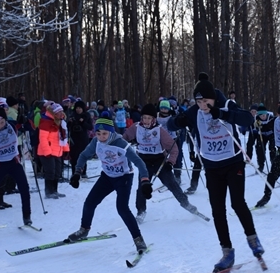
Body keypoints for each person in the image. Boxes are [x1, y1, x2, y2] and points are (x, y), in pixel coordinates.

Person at [168, 72, 265, 273]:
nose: (203, 105)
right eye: (199, 101)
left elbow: (247, 119)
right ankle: (227, 251)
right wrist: (180, 120)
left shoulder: (226, 105)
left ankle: (252, 239)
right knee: (217, 209)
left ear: (214, 98)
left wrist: (222, 114)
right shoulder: (195, 112)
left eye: (206, 101)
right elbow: (171, 124)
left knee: (237, 203)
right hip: (212, 166)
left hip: (233, 162)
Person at [66, 112, 152, 253]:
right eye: (98, 133)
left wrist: (145, 181)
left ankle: (139, 240)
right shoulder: (95, 142)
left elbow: (139, 162)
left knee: (122, 208)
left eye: (104, 134)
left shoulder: (121, 144)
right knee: (90, 202)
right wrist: (77, 173)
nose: (101, 137)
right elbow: (83, 155)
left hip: (123, 178)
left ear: (111, 132)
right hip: (107, 177)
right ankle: (84, 229)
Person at [123, 104, 199, 224]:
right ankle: (141, 211)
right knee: (143, 186)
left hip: (159, 161)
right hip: (144, 162)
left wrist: (170, 162)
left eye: (149, 118)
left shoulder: (159, 130)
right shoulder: (136, 127)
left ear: (154, 119)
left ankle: (186, 204)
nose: (146, 121)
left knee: (172, 184)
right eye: (144, 118)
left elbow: (173, 149)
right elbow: (124, 138)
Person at [38, 102, 68, 199]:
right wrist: (47, 152)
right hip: (47, 152)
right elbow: (43, 139)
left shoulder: (60, 123)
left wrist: (65, 149)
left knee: (57, 171)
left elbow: (62, 138)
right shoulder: (46, 123)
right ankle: (48, 192)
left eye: (61, 112)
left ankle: (54, 190)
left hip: (57, 150)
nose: (61, 114)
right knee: (50, 171)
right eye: (59, 112)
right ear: (54, 113)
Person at [67, 100, 93, 178]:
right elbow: (67, 127)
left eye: (80, 108)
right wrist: (70, 122)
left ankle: (83, 172)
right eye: (77, 108)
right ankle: (74, 172)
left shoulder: (86, 115)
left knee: (83, 155)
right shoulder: (72, 115)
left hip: (83, 139)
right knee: (74, 156)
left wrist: (82, 123)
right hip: (74, 139)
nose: (78, 109)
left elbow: (90, 127)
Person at [252, 104, 276, 173]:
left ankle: (274, 165)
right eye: (261, 115)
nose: (263, 116)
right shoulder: (257, 118)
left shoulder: (271, 117)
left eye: (264, 115)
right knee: (260, 148)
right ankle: (261, 165)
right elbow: (255, 127)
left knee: (272, 148)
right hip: (262, 135)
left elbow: (270, 126)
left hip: (271, 134)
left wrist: (262, 126)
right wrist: (256, 126)